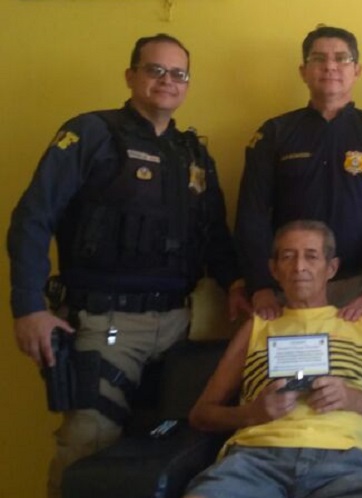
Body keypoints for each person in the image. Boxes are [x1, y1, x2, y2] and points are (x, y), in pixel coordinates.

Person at [7, 34, 240, 497]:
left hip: (177, 324)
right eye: (155, 70)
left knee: (161, 450)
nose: (167, 81)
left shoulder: (192, 154)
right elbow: (32, 218)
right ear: (131, 76)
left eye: (179, 74)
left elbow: (215, 236)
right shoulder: (92, 134)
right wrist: (28, 306)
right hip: (104, 322)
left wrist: (237, 284)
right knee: (88, 449)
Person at [185, 220, 362, 498]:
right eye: (288, 257)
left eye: (311, 256)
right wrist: (252, 412)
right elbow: (201, 414)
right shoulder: (256, 327)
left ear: (331, 268)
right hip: (255, 461)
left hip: (346, 463)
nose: (299, 267)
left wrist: (356, 401)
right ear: (274, 269)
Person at [235, 25, 362, 322]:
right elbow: (251, 214)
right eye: (318, 59)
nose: (330, 66)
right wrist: (260, 285)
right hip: (287, 288)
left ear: (357, 70)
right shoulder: (274, 133)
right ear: (303, 71)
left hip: (358, 290)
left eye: (341, 58)